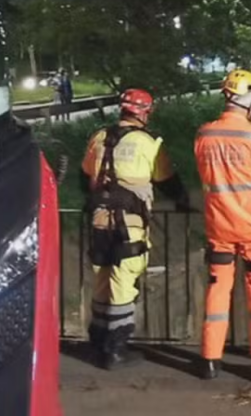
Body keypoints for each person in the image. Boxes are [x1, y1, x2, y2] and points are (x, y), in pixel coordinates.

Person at [81, 88, 190, 370]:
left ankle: (98, 343)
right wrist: (184, 203)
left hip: (98, 221)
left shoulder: (99, 138)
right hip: (130, 225)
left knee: (102, 281)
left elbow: (85, 178)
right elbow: (168, 182)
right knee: (123, 283)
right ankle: (116, 349)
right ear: (144, 112)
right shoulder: (148, 143)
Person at [194, 70, 251, 382]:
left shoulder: (204, 135)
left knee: (217, 293)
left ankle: (209, 361)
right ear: (249, 99)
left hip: (219, 228)